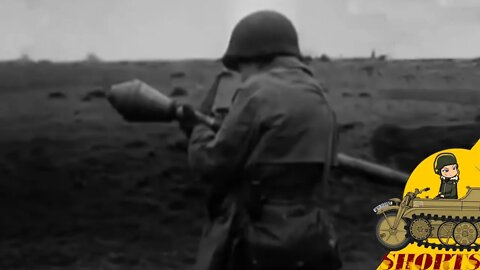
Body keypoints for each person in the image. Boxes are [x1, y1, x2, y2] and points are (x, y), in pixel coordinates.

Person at [179, 10, 342, 270]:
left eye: (241, 68)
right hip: (313, 235)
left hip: (259, 241)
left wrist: (197, 130)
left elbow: (213, 165)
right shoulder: (318, 95)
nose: (241, 77)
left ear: (254, 57)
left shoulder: (255, 92)